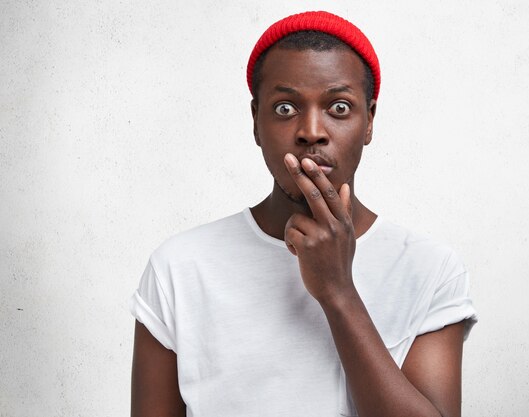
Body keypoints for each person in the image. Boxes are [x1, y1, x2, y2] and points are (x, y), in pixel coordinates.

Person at [130, 10, 477, 417]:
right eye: (285, 109)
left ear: (370, 122)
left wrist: (338, 292)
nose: (311, 131)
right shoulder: (179, 267)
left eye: (340, 107)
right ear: (256, 122)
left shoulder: (430, 268)